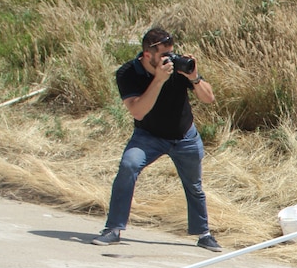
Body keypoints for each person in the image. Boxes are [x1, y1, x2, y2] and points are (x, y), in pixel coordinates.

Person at [92, 27, 220, 251]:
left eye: (171, 53)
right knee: (128, 166)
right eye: (164, 55)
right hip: (148, 136)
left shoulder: (177, 68)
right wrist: (159, 80)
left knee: (194, 185)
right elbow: (138, 111)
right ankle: (113, 229)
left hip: (184, 136)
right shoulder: (128, 73)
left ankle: (204, 234)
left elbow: (209, 98)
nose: (169, 59)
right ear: (147, 55)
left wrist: (194, 77)